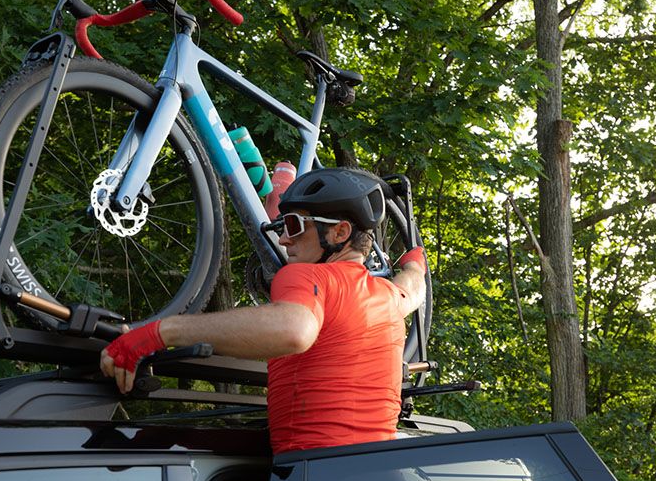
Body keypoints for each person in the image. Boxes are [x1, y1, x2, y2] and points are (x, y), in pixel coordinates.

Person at [100, 168, 427, 455]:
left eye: (296, 225)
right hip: (382, 475)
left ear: (340, 233)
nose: (284, 239)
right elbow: (413, 286)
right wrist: (415, 260)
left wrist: (160, 332)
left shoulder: (306, 275)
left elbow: (294, 330)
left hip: (322, 478)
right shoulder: (388, 296)